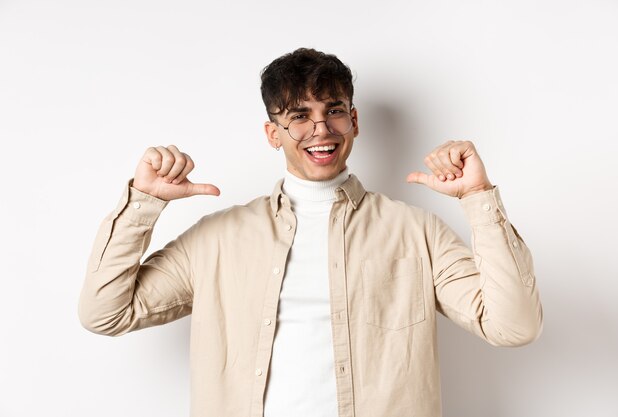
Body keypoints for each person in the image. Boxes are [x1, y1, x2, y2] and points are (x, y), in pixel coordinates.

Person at [79, 48, 543, 417]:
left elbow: (514, 326)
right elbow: (104, 313)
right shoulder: (218, 239)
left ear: (354, 121)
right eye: (298, 116)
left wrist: (478, 197)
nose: (320, 129)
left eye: (333, 111)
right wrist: (144, 201)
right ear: (272, 133)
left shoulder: (416, 231)